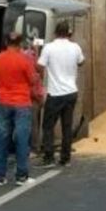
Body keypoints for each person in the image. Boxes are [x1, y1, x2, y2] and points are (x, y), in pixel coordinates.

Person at [0, 32, 39, 186]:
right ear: (20, 43)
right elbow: (32, 80)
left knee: (1, 138)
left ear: (6, 42)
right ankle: (21, 176)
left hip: (2, 101)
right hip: (21, 103)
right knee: (22, 138)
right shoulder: (24, 60)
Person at [37, 22, 85, 167]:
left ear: (55, 32)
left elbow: (40, 65)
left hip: (55, 92)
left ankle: (48, 157)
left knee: (48, 126)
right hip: (71, 91)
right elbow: (81, 62)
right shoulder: (75, 47)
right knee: (67, 126)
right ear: (69, 33)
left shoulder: (49, 47)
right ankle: (65, 158)